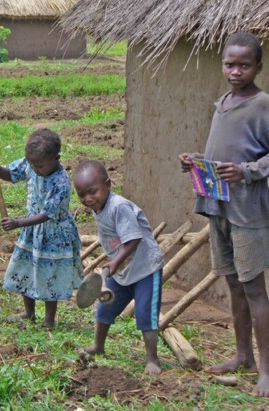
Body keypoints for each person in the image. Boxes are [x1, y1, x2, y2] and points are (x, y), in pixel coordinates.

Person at [179, 32, 269, 397]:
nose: (235, 71)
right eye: (229, 64)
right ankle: (243, 355)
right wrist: (194, 163)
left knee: (254, 289)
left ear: (258, 67)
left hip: (247, 212)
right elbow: (221, 150)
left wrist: (246, 171)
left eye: (244, 65)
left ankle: (265, 369)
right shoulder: (224, 103)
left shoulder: (263, 105)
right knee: (232, 283)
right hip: (218, 207)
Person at [0, 128, 83, 329]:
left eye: (40, 166)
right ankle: (29, 312)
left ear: (56, 158)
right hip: (32, 230)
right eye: (32, 165)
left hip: (53, 234)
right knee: (26, 266)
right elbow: (11, 174)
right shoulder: (32, 164)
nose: (35, 169)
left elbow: (48, 214)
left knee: (49, 274)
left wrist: (18, 222)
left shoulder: (61, 182)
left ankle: (49, 319)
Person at [73, 159, 164, 375]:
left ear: (108, 183)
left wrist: (114, 261)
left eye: (92, 191)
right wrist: (116, 262)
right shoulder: (99, 207)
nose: (87, 198)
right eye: (82, 194)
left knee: (145, 312)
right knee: (105, 308)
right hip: (123, 270)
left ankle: (152, 358)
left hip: (145, 269)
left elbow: (134, 239)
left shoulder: (118, 207)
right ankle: (98, 345)